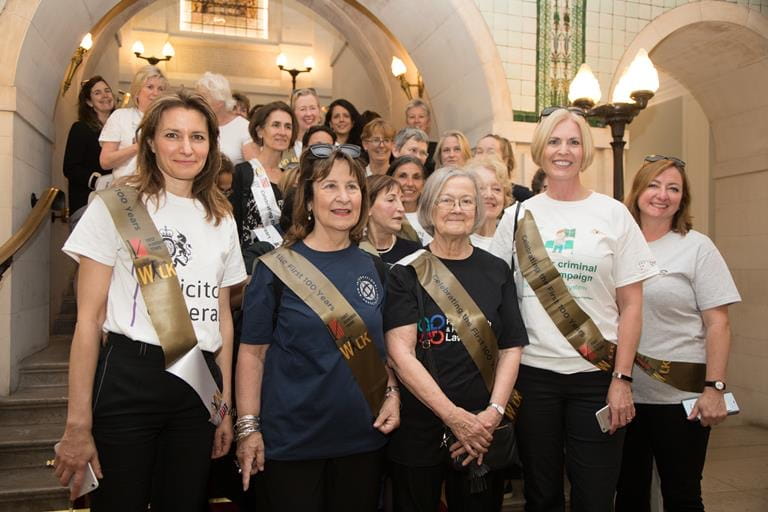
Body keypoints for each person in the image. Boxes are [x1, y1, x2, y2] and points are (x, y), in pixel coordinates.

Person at [54, 90, 246, 511]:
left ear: (211, 146)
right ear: (151, 142)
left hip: (198, 387)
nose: (186, 148)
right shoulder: (116, 206)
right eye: (172, 135)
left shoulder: (222, 217)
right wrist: (77, 423)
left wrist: (225, 407)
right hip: (130, 378)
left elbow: (223, 321)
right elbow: (89, 320)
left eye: (198, 137)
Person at [488, 107, 658, 511]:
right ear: (540, 149)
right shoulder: (516, 216)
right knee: (541, 494)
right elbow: (496, 297)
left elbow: (632, 305)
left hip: (596, 376)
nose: (563, 151)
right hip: (533, 378)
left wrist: (622, 378)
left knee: (595, 496)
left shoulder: (613, 213)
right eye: (554, 141)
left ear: (585, 152)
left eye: (573, 142)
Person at [236, 143, 401, 512]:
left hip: (363, 439)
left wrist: (392, 393)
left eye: (352, 187)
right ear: (308, 199)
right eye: (330, 186)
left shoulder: (374, 267)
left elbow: (383, 349)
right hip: (291, 442)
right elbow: (252, 354)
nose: (343, 197)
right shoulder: (274, 269)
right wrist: (248, 428)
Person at [385, 167, 527, 511]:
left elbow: (511, 347)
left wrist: (493, 413)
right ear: (429, 208)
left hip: (482, 429)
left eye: (466, 201)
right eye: (446, 200)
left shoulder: (497, 270)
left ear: (477, 210)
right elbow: (400, 354)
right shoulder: (406, 272)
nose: (457, 209)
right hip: (420, 427)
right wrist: (454, 417)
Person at [615, 156, 741, 511]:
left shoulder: (697, 247)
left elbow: (719, 324)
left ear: (682, 199)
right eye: (654, 185)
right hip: (623, 395)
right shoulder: (616, 244)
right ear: (638, 190)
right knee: (628, 495)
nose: (662, 195)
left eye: (673, 188)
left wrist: (714, 388)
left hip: (681, 398)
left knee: (682, 495)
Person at [230, 101, 297, 247]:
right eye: (276, 125)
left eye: (288, 127)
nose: (282, 132)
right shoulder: (243, 172)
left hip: (287, 255)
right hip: (251, 256)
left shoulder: (292, 179)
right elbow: (234, 221)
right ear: (260, 131)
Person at [99, 65, 167, 181]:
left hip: (160, 186)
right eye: (150, 87)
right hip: (126, 187)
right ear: (137, 91)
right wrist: (138, 147)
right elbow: (105, 162)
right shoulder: (120, 116)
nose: (156, 93)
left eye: (160, 89)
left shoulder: (169, 120)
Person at [63, 76, 115, 219]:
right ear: (89, 102)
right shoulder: (81, 128)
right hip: (87, 204)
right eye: (97, 93)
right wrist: (98, 181)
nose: (105, 95)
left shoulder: (122, 130)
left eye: (107, 91)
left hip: (116, 205)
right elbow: (70, 168)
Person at [196, 71, 256, 165]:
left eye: (202, 98)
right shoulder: (196, 124)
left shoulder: (243, 128)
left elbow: (254, 168)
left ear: (219, 102)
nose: (197, 102)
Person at [363, 174, 421, 264]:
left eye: (402, 201)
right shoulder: (353, 251)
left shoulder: (415, 253)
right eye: (391, 200)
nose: (401, 208)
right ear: (368, 207)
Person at [464, 157, 510, 251]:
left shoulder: (512, 242)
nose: (489, 195)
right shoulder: (457, 240)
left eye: (496, 189)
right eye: (481, 188)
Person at [474, 133, 533, 203]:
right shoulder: (468, 190)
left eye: (491, 152)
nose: (483, 157)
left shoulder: (523, 197)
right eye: (479, 152)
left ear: (505, 160)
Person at [387, 155, 430, 245]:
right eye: (403, 176)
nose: (410, 183)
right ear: (390, 180)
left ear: (424, 183)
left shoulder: (433, 217)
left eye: (416, 177)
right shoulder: (383, 219)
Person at [404, 98, 437, 174]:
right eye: (412, 117)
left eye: (421, 116)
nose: (416, 121)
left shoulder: (436, 149)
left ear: (428, 121)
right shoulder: (400, 148)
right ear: (406, 121)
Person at [291, 88, 323, 156]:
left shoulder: (330, 145)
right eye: (303, 109)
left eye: (312, 108)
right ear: (293, 113)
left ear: (319, 111)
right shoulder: (284, 146)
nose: (308, 114)